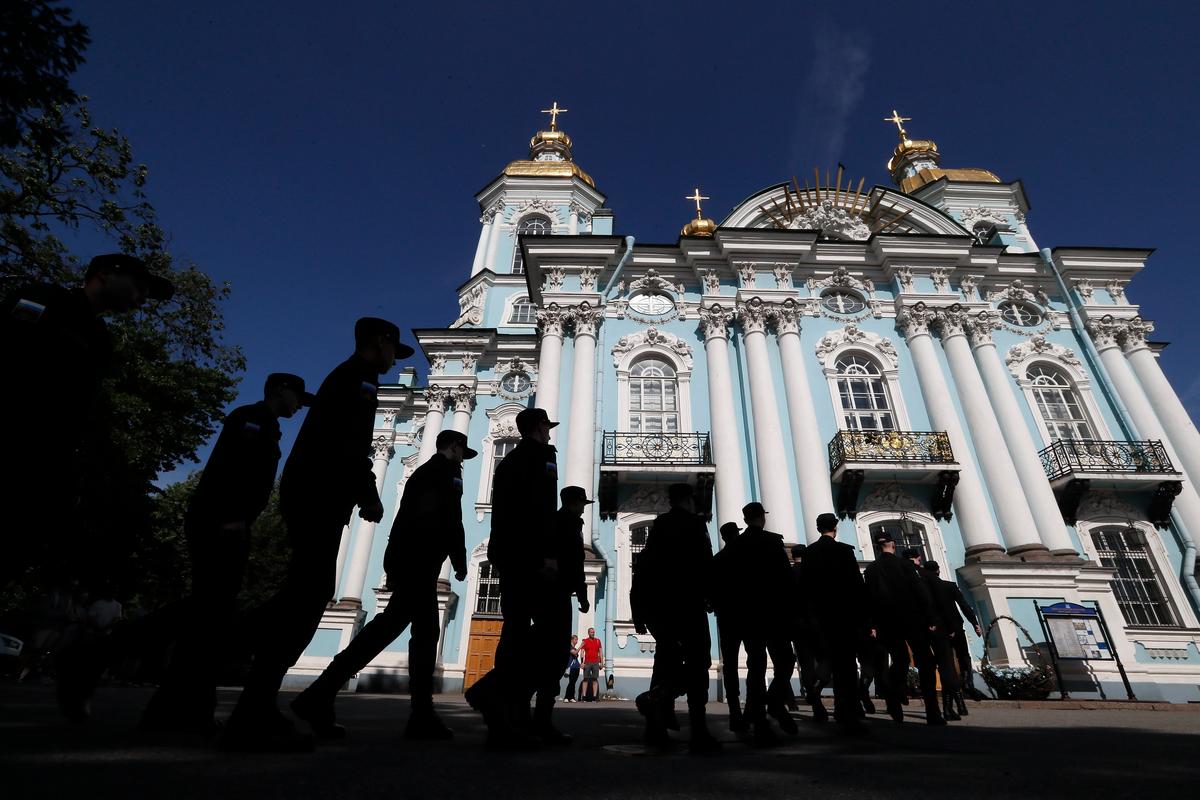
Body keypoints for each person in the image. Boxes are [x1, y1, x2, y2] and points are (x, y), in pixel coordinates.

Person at [222, 317, 412, 752]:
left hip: (316, 493)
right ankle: (244, 697)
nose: (391, 361)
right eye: (392, 351)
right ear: (380, 343)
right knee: (305, 598)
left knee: (302, 596)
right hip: (320, 494)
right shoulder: (357, 380)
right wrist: (368, 491)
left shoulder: (348, 377)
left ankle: (247, 693)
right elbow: (350, 443)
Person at [134, 373, 310, 734]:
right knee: (207, 609)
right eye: (296, 397)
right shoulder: (251, 418)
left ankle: (181, 709)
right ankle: (99, 654)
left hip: (231, 521)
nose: (298, 405)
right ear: (280, 390)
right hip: (221, 522)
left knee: (209, 616)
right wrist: (231, 515)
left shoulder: (268, 424)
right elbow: (233, 469)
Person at [0, 253, 173, 588]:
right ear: (106, 274)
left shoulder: (100, 340)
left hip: (37, 478)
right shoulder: (44, 300)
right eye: (138, 287)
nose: (141, 300)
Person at [291, 429, 476, 740]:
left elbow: (423, 519)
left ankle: (414, 712)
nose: (462, 460)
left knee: (408, 631)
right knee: (404, 631)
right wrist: (456, 559)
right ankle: (322, 694)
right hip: (419, 562)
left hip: (414, 561)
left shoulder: (425, 473)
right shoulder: (442, 473)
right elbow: (445, 519)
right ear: (455, 447)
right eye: (462, 453)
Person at [463, 407, 560, 750]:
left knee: (515, 630)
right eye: (547, 427)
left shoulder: (507, 463)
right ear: (538, 427)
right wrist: (548, 555)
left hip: (507, 555)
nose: (550, 433)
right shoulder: (542, 458)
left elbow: (505, 512)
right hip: (533, 557)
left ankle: (510, 717)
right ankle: (492, 693)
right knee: (550, 637)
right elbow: (543, 508)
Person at [630, 483, 721, 754]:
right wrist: (710, 596)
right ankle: (698, 730)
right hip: (688, 604)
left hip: (662, 608)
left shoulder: (659, 527)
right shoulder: (695, 524)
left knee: (665, 662)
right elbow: (705, 562)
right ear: (689, 500)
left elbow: (645, 564)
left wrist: (639, 610)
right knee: (699, 662)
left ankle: (655, 729)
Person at [722, 503, 797, 746]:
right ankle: (774, 701)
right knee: (785, 660)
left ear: (745, 519)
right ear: (761, 519)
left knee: (756, 665)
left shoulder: (737, 547)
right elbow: (786, 580)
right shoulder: (774, 542)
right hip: (774, 613)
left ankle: (760, 720)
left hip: (748, 615)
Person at [528, 486, 592, 743]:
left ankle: (534, 715)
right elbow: (573, 561)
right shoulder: (566, 523)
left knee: (546, 652)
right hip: (555, 594)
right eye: (582, 503)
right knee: (553, 657)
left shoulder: (559, 521)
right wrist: (582, 592)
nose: (584, 507)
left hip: (550, 593)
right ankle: (539, 720)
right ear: (575, 503)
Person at [863, 532, 943, 725]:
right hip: (912, 620)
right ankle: (932, 711)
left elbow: (869, 600)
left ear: (876, 546)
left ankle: (892, 696)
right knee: (925, 662)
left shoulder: (872, 570)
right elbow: (920, 591)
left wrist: (872, 624)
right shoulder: (905, 565)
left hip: (887, 623)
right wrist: (931, 617)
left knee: (900, 661)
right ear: (894, 544)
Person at [800, 513, 869, 735]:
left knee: (827, 661)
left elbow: (805, 588)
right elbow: (857, 588)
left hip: (820, 618)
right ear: (835, 528)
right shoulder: (844, 552)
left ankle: (823, 697)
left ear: (818, 528)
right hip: (844, 617)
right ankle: (845, 712)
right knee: (846, 667)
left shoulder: (810, 553)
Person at [904, 549, 961, 721]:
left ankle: (933, 709)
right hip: (937, 626)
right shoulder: (928, 576)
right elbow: (943, 603)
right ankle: (947, 708)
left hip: (916, 627)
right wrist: (951, 626)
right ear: (919, 559)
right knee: (946, 666)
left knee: (925, 667)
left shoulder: (902, 579)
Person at [924, 560, 983, 712]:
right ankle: (968, 683)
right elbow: (964, 605)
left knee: (947, 665)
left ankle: (953, 704)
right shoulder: (949, 586)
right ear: (938, 570)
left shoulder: (925, 590)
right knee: (963, 657)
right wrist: (974, 622)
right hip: (955, 627)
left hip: (937, 631)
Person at [710, 522, 746, 732]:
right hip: (749, 614)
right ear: (736, 535)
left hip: (726, 617)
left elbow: (711, 589)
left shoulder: (718, 560)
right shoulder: (747, 559)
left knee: (730, 664)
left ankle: (735, 709)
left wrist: (713, 603)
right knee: (756, 658)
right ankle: (753, 708)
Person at [579, 627, 603, 702]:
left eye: (593, 632)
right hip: (587, 662)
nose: (593, 633)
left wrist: (602, 663)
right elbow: (582, 652)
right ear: (588, 633)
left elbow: (600, 652)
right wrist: (582, 663)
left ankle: (594, 697)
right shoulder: (585, 641)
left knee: (595, 679)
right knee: (585, 679)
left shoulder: (598, 641)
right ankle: (584, 697)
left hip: (595, 662)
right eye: (591, 632)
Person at [563, 635, 581, 703]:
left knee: (573, 683)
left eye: (577, 639)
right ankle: (566, 697)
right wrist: (581, 646)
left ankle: (572, 697)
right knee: (571, 682)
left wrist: (580, 665)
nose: (576, 641)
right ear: (572, 640)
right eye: (576, 639)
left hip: (576, 667)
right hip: (571, 668)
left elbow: (576, 657)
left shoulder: (574, 647)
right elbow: (575, 653)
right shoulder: (569, 647)